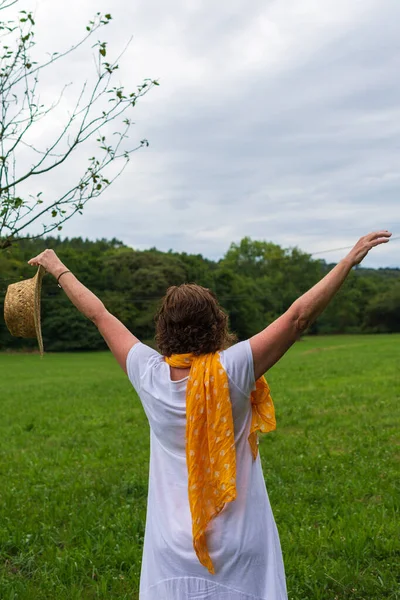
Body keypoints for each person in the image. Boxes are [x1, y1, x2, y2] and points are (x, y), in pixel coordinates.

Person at [28, 230, 391, 600]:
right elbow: (298, 318)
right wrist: (348, 262)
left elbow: (98, 314)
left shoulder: (148, 373)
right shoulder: (232, 370)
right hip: (240, 544)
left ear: (164, 329)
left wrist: (58, 268)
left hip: (170, 547)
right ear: (216, 323)